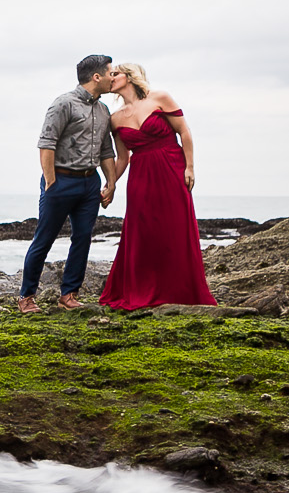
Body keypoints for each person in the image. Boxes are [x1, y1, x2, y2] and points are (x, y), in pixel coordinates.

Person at [97, 62, 214, 309]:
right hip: (141, 176)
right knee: (144, 232)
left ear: (129, 76)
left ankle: (180, 289)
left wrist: (190, 166)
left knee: (175, 228)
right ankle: (144, 289)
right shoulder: (114, 119)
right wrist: (110, 185)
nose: (111, 77)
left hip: (172, 168)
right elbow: (122, 158)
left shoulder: (160, 97)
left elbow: (184, 132)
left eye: (115, 73)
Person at [20, 55, 123, 313]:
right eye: (110, 73)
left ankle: (69, 295)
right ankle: (26, 297)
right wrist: (51, 182)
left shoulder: (103, 110)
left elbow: (106, 151)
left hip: (90, 185)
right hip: (61, 181)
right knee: (44, 239)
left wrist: (111, 183)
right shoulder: (63, 104)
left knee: (83, 239)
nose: (114, 77)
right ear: (96, 77)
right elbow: (46, 144)